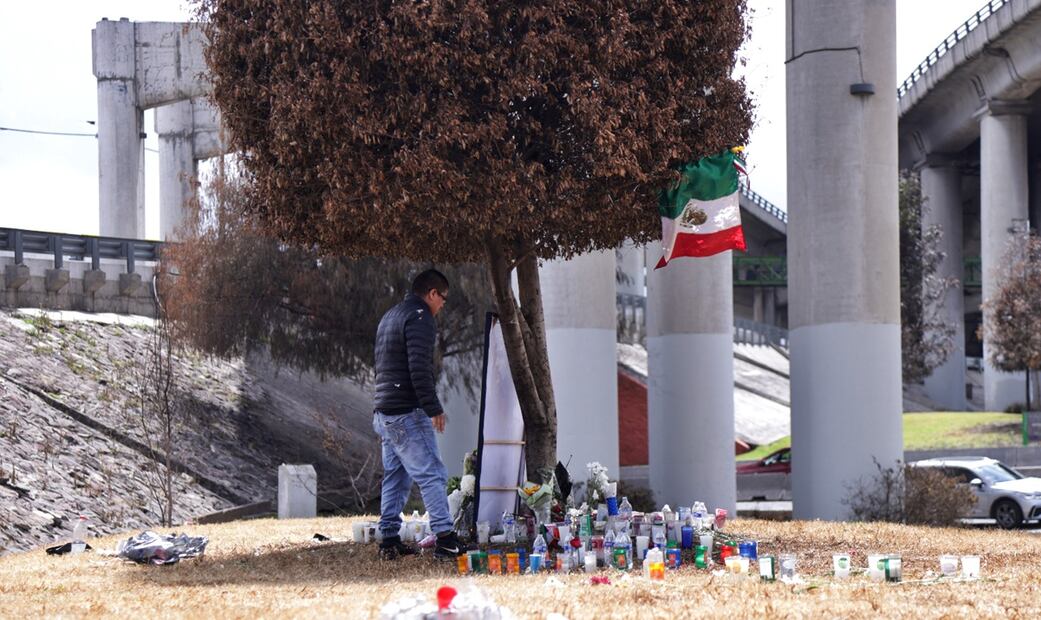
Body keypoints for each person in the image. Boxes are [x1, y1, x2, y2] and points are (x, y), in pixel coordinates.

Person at [372, 269, 464, 560]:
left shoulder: (391, 315)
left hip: (384, 412)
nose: (442, 307)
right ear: (432, 293)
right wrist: (432, 407)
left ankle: (388, 539)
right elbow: (419, 367)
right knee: (432, 473)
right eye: (443, 300)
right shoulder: (421, 317)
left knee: (397, 476)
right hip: (406, 411)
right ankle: (446, 540)